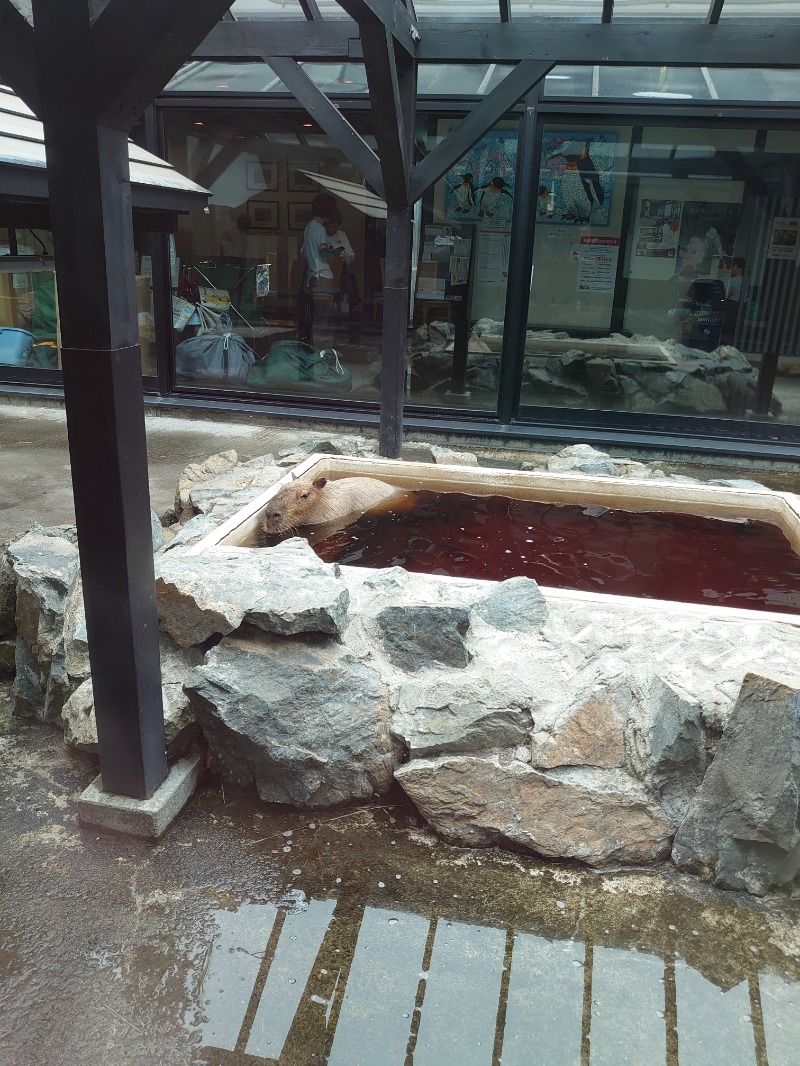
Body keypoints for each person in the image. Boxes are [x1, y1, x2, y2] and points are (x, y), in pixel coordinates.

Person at [297, 192, 337, 348]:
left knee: (315, 316)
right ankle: (321, 349)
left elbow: (304, 254)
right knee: (323, 318)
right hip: (323, 276)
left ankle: (314, 347)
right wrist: (334, 253)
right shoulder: (320, 229)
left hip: (312, 276)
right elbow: (324, 254)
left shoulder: (308, 228)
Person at [723, 257, 745, 344]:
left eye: (733, 267)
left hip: (732, 304)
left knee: (729, 322)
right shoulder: (745, 280)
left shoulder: (732, 280)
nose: (731, 269)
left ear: (740, 269)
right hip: (742, 304)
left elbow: (726, 296)